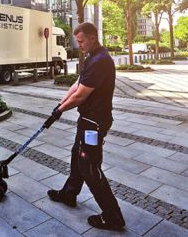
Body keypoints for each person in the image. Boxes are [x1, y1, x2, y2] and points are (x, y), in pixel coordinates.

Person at [43, 22, 126, 231]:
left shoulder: (101, 61)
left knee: (89, 165)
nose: (78, 45)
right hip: (88, 119)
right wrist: (59, 105)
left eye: (81, 41)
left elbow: (81, 95)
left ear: (92, 37)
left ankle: (113, 216)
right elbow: (77, 84)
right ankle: (69, 194)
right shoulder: (91, 57)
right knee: (76, 155)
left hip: (95, 122)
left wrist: (60, 111)